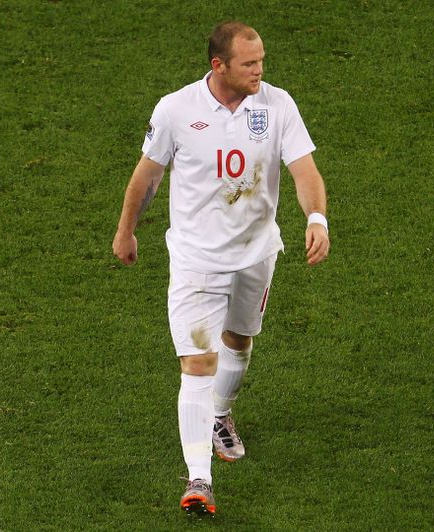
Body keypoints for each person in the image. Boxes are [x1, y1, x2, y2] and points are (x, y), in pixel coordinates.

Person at [112, 20, 330, 516]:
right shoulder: (176, 110)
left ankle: (221, 415)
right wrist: (127, 229)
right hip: (196, 261)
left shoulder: (277, 105)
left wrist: (316, 218)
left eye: (262, 61)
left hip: (256, 254)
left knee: (239, 340)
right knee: (197, 363)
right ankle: (198, 479)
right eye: (249, 64)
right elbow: (147, 176)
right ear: (219, 66)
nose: (260, 71)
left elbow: (305, 171)